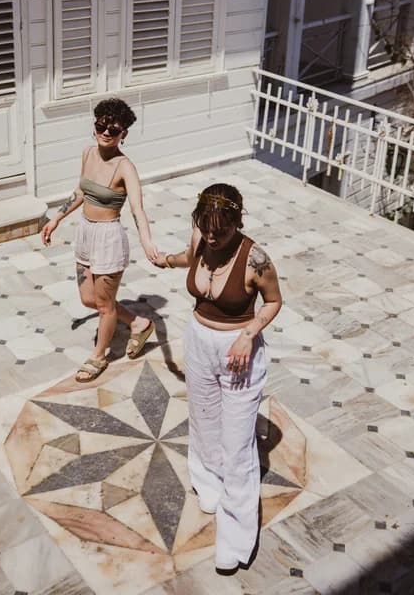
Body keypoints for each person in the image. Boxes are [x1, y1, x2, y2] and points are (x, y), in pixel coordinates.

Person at [154, 183, 282, 572]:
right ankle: (207, 483)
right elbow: (187, 256)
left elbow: (274, 301)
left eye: (220, 231)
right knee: (204, 420)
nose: (212, 236)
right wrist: (165, 259)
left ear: (236, 221)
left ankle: (236, 538)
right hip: (198, 342)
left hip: (237, 352)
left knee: (238, 446)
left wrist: (248, 334)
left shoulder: (255, 259)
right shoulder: (201, 236)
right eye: (206, 228)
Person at [41, 98, 158, 382]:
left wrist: (147, 243)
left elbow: (137, 208)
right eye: (101, 126)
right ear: (94, 127)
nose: (106, 132)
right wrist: (56, 218)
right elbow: (82, 192)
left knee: (105, 306)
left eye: (114, 129)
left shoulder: (125, 167)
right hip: (85, 233)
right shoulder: (87, 154)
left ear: (123, 134)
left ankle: (99, 356)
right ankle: (139, 323)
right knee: (87, 299)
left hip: (108, 238)